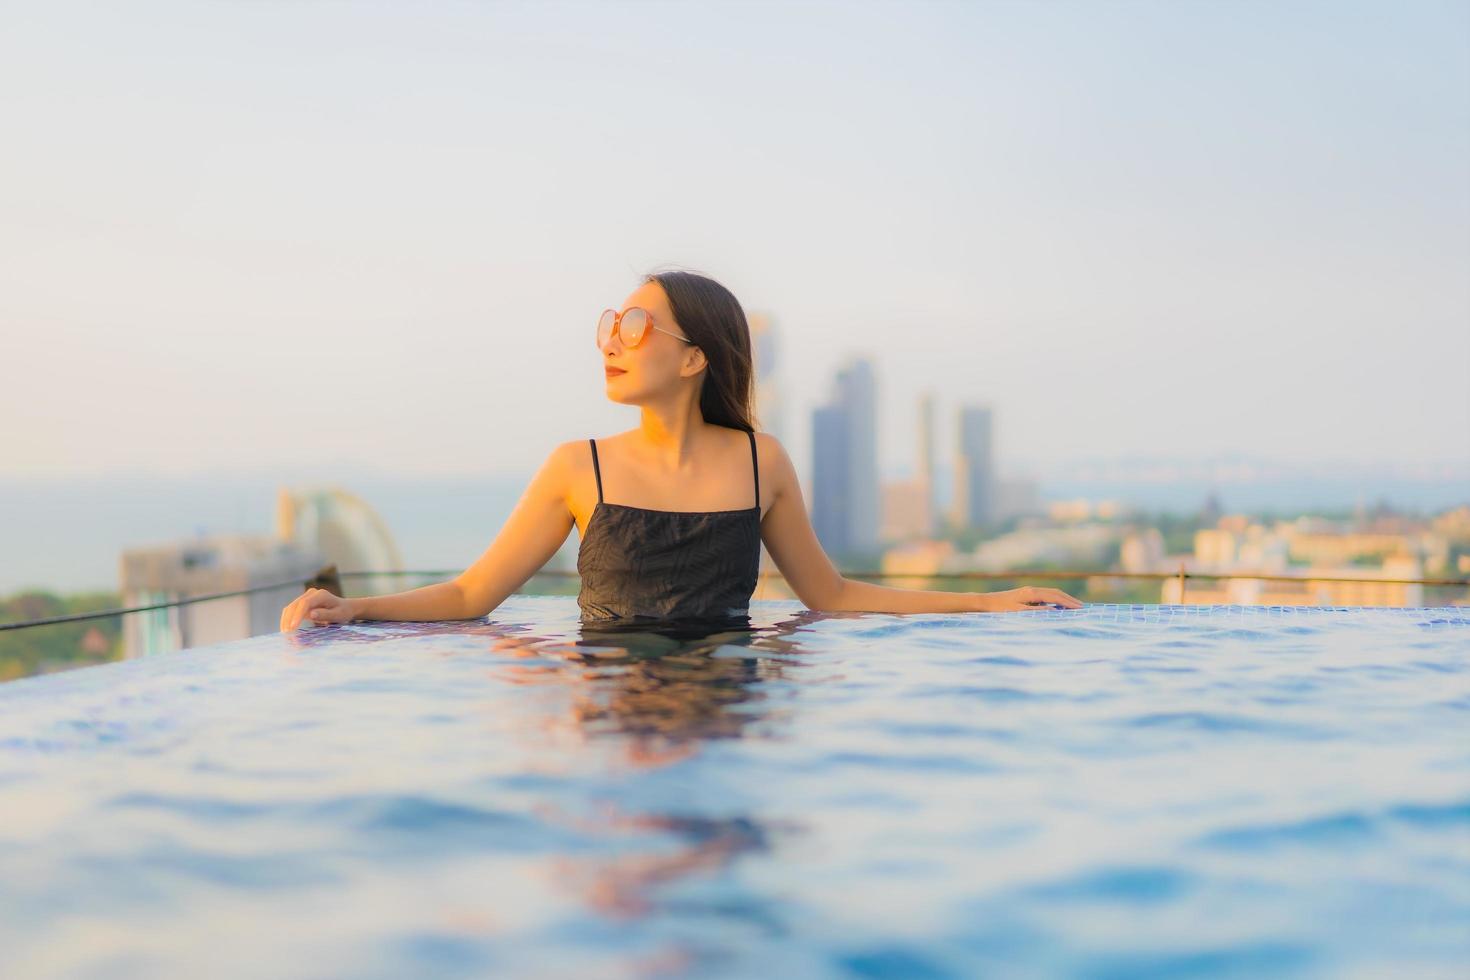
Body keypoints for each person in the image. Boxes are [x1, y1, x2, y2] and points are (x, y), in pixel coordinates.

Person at [279, 269, 1082, 632]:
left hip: (727, 715)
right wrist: (353, 609)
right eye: (609, 326)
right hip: (613, 718)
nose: (612, 343)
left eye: (635, 329)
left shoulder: (761, 462)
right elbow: (468, 597)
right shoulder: (577, 467)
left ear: (694, 357)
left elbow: (830, 595)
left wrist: (992, 602)